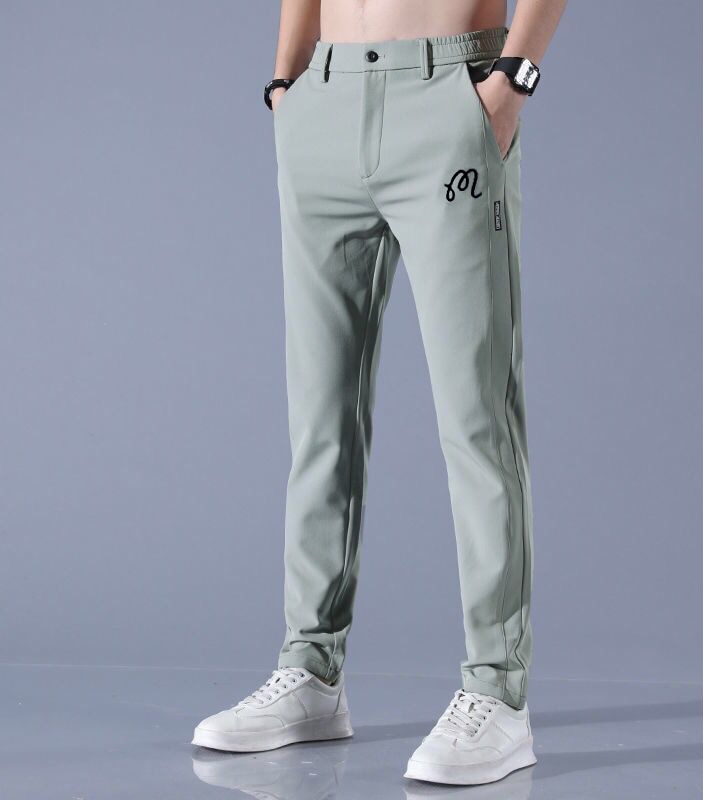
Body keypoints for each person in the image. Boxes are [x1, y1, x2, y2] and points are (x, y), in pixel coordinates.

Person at [193, 0, 566, 785]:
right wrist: (286, 84)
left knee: (477, 417)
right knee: (319, 417)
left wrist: (511, 82)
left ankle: (498, 692)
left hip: (451, 95)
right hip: (324, 101)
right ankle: (310, 671)